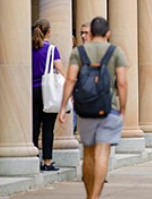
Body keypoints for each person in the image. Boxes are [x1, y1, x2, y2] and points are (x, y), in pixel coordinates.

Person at [59, 17, 128, 199]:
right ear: (107, 33)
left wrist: (62, 107)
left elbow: (71, 79)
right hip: (110, 107)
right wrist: (122, 108)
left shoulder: (78, 52)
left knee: (88, 153)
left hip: (86, 108)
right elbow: (121, 83)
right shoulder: (116, 52)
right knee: (103, 152)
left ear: (90, 33)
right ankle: (94, 197)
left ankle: (89, 194)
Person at [32, 19, 65, 171]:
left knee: (33, 126)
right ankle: (47, 161)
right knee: (48, 127)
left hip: (32, 90)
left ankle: (32, 158)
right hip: (48, 91)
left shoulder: (30, 48)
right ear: (49, 32)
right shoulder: (52, 49)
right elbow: (59, 67)